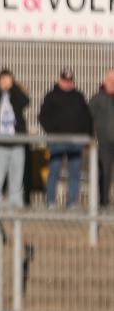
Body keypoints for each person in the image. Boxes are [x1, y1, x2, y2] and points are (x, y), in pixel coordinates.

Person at [39, 68, 93, 209]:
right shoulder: (51, 96)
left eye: (70, 81)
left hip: (76, 141)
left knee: (75, 173)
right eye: (65, 80)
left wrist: (88, 137)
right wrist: (53, 131)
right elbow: (43, 116)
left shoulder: (79, 97)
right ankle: (51, 201)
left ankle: (73, 202)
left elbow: (87, 118)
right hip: (57, 140)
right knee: (54, 171)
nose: (67, 83)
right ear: (60, 80)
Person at [0, 68, 30, 207]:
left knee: (16, 178)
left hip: (16, 143)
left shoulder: (15, 92)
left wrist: (13, 87)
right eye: (3, 79)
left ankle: (15, 206)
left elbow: (25, 101)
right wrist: (0, 88)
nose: (5, 82)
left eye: (8, 79)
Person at [88, 68, 114, 208]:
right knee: (104, 171)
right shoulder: (98, 98)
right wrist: (91, 138)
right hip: (105, 142)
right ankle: (104, 201)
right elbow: (87, 118)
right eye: (110, 80)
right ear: (105, 81)